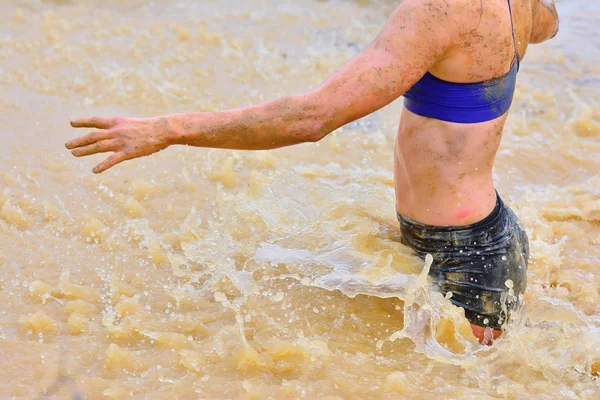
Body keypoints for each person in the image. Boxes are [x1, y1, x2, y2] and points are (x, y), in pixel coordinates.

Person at [65, 0, 559, 343]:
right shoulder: (518, 7)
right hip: (481, 237)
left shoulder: (437, 11)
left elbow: (311, 119)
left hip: (467, 263)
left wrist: (168, 128)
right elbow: (549, 24)